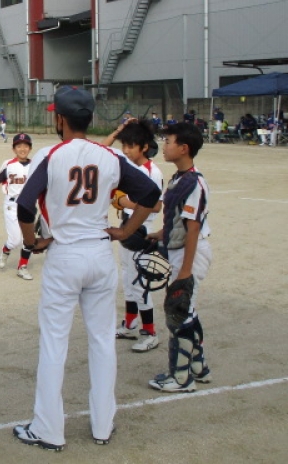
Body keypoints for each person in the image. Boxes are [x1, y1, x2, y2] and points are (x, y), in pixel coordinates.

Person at [12, 86, 161, 451]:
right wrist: (126, 230)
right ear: (90, 118)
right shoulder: (110, 156)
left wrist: (32, 243)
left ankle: (48, 429)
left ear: (60, 118)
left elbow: (25, 206)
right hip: (99, 253)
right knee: (102, 341)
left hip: (65, 254)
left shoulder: (50, 155)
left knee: (54, 343)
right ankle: (102, 425)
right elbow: (151, 194)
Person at [147, 122, 212, 392]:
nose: (164, 146)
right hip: (180, 250)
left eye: (169, 141)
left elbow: (192, 229)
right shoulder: (178, 179)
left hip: (189, 254)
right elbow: (175, 221)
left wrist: (185, 271)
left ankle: (182, 378)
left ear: (184, 148)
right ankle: (198, 366)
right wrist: (158, 235)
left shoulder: (194, 183)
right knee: (188, 311)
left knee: (179, 313)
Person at [104, 120, 164, 352]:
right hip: (127, 227)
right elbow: (103, 149)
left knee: (140, 283)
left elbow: (156, 206)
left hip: (142, 230)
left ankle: (149, 332)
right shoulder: (128, 165)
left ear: (144, 147)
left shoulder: (152, 171)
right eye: (124, 145)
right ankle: (130, 324)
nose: (126, 150)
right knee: (128, 279)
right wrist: (119, 130)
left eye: (131, 146)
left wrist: (122, 201)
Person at [0, 132, 35, 280]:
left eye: (26, 146)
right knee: (15, 241)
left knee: (28, 239)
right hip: (12, 205)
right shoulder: (8, 164)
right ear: (14, 149)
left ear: (30, 148)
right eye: (19, 146)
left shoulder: (35, 165)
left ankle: (22, 267)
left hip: (28, 205)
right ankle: (5, 251)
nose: (22, 149)